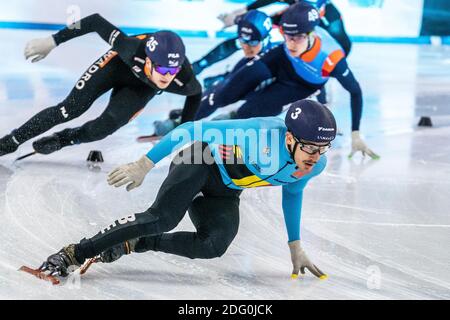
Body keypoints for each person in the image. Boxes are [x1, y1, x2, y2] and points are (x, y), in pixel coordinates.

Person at [34, 99, 336, 281]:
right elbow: (190, 129)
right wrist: (145, 163)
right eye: (309, 147)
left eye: (323, 148)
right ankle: (73, 254)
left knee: (214, 245)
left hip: (225, 191)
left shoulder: (314, 165)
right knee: (162, 218)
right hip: (198, 161)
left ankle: (133, 243)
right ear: (290, 138)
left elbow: (293, 193)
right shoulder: (259, 133)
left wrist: (295, 245)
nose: (315, 155)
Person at [0, 14, 201, 157]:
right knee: (68, 109)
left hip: (141, 87)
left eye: (173, 70)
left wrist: (183, 130)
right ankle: (10, 142)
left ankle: (64, 139)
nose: (168, 77)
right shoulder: (130, 48)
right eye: (163, 70)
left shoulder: (182, 78)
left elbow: (196, 94)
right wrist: (54, 40)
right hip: (116, 66)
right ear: (148, 61)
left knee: (105, 127)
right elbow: (95, 21)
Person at [196, 2, 378, 159]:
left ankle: (225, 124)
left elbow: (355, 92)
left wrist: (355, 134)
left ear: (311, 34)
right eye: (287, 36)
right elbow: (260, 22)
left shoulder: (332, 58)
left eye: (297, 38)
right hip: (280, 60)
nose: (291, 43)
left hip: (301, 85)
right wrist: (235, 18)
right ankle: (184, 124)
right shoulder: (289, 25)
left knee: (247, 113)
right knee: (224, 93)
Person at [154, 10, 275, 135]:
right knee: (216, 83)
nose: (246, 47)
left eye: (252, 43)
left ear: (266, 40)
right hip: (252, 73)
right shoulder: (249, 35)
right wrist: (197, 66)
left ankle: (181, 122)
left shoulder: (271, 58)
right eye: (242, 41)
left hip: (264, 91)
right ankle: (194, 110)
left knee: (220, 87)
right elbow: (224, 49)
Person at [218, 0, 352, 55]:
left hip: (323, 19)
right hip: (302, 13)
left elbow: (345, 46)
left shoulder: (330, 20)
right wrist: (242, 11)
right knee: (257, 30)